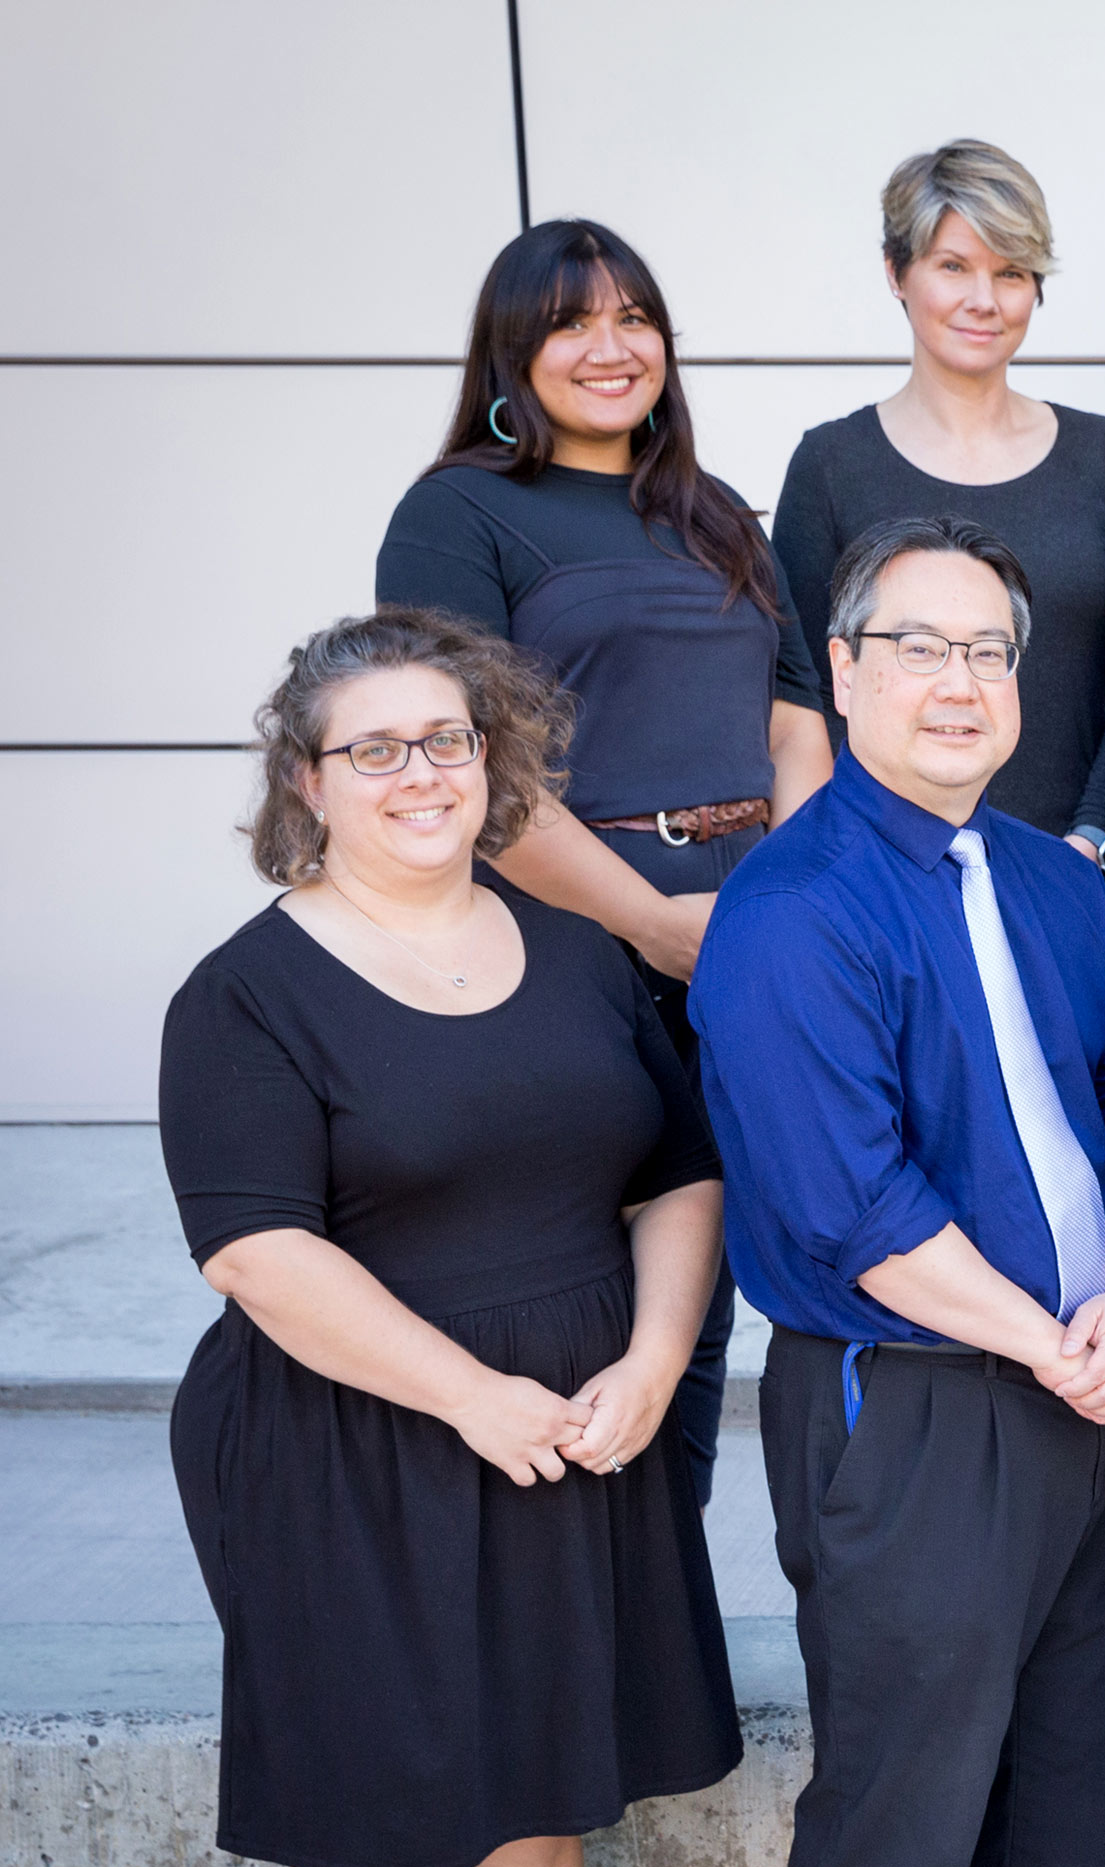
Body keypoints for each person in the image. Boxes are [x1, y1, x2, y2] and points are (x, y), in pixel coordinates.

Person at [158, 609, 739, 1867]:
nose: (420, 773)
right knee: (382, 1849)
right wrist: (473, 1394)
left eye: (445, 739)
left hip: (570, 1437)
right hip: (348, 1447)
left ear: (493, 759)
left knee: (538, 1816)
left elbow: (677, 1172)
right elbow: (259, 1251)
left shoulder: (584, 952)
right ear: (305, 779)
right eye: (373, 750)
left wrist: (653, 1358)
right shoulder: (246, 994)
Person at [693, 518, 1105, 1867]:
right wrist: (1060, 1342)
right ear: (842, 672)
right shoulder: (791, 908)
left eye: (988, 650)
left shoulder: (1050, 875)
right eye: (919, 646)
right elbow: (859, 1204)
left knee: (1066, 1832)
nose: (958, 679)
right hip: (913, 1416)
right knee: (897, 1847)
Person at [376, 216, 835, 1500]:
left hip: (748, 934)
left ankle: (666, 1599)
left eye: (634, 316)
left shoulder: (716, 515)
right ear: (512, 353)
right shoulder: (460, 510)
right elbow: (465, 765)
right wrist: (652, 924)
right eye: (573, 321)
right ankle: (586, 1611)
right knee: (590, 1281)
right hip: (572, 944)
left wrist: (782, 899)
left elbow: (799, 715)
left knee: (706, 1294)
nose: (610, 344)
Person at [775, 137, 1105, 997]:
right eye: (954, 265)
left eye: (1012, 272)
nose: (983, 299)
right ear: (897, 272)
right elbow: (802, 698)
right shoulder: (831, 467)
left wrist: (1085, 843)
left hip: (1088, 886)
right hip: (893, 899)